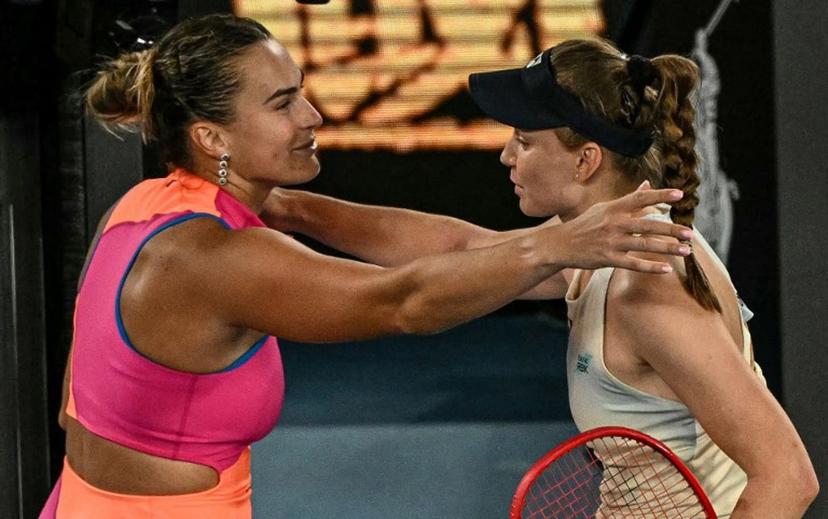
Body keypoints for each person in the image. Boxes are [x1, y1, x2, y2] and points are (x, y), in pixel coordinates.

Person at [39, 15, 695, 518]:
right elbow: (401, 301)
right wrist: (553, 246)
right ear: (212, 137)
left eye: (302, 93)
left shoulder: (140, 210)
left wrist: (548, 253)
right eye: (282, 103)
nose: (312, 115)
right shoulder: (220, 258)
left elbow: (77, 405)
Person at [262, 39, 818, 517]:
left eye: (524, 141)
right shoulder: (600, 243)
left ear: (586, 161)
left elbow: (787, 478)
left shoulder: (645, 287)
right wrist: (291, 209)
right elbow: (462, 247)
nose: (506, 155)